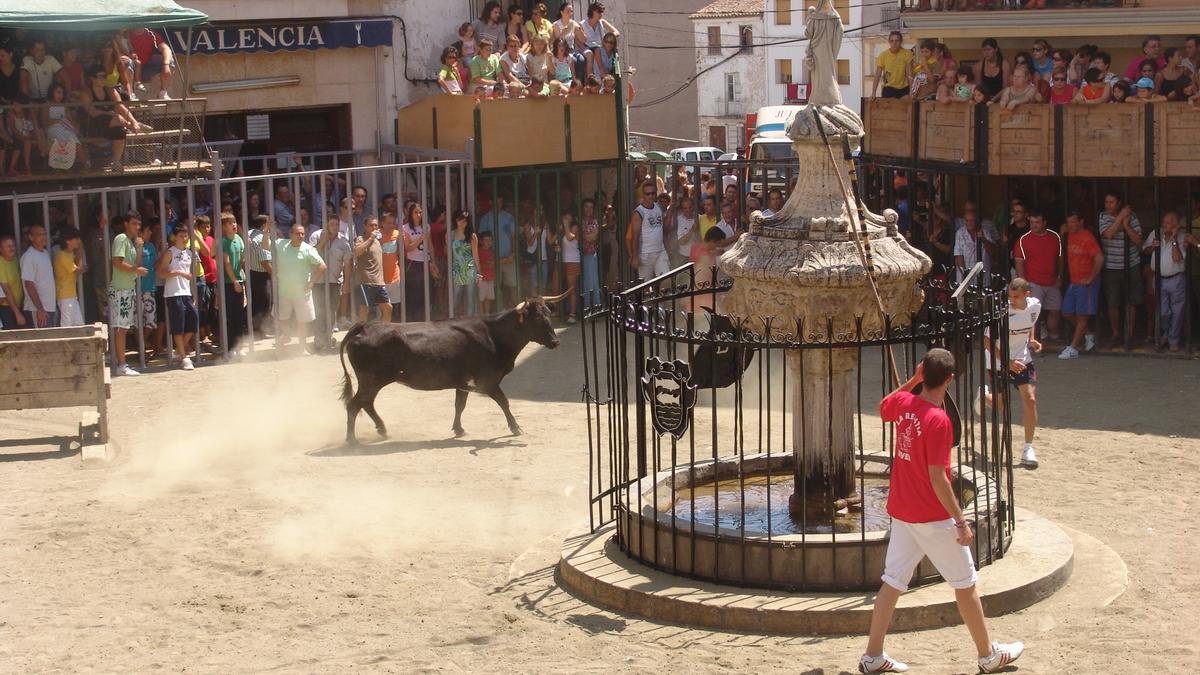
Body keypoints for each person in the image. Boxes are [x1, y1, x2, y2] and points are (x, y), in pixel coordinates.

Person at [860, 349, 1024, 674]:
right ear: (950, 379)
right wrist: (960, 521)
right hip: (931, 517)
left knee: (892, 582)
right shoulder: (939, 420)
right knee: (965, 584)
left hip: (903, 511)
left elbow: (884, 406)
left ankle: (873, 656)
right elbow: (938, 477)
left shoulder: (906, 403)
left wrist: (914, 379)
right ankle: (988, 655)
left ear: (924, 372)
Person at [981, 278, 1043, 468]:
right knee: (999, 405)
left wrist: (1031, 339)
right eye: (1010, 296)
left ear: (1027, 294)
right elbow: (986, 341)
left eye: (1016, 297)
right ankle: (984, 396)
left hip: (1023, 360)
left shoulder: (1035, 306)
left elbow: (1030, 320)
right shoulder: (1002, 313)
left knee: (1030, 399)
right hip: (999, 362)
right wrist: (1007, 362)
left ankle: (1028, 448)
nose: (1011, 300)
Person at [1142, 211, 1196, 352]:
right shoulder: (1155, 233)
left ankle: (1173, 340)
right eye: (1163, 222)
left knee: (1177, 312)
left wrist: (1173, 239)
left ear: (1175, 225)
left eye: (1168, 222)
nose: (1164, 225)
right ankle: (1166, 333)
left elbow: (1177, 258)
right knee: (1163, 311)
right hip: (1159, 278)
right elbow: (1145, 251)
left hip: (1176, 279)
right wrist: (1152, 247)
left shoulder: (1182, 237)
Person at [269, 223, 326, 353]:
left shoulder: (308, 249)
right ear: (291, 234)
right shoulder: (281, 244)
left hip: (302, 293)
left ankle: (302, 347)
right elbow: (265, 247)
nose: (300, 236)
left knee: (302, 322)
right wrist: (266, 231)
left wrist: (311, 283)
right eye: (297, 233)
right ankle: (287, 335)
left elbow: (322, 266)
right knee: (282, 318)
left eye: (302, 234)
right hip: (284, 291)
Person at [1098, 191, 1143, 349]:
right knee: (1113, 302)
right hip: (1112, 265)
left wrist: (1126, 225)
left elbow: (1138, 240)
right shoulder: (1103, 216)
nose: (1108, 205)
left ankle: (1129, 335)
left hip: (1132, 263)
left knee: (1132, 301)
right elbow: (1108, 234)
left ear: (1119, 203)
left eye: (1111, 202)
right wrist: (1121, 217)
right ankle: (1116, 334)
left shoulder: (1132, 217)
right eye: (1106, 202)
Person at [1059, 211, 1102, 359]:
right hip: (1074, 281)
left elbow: (1099, 258)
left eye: (1073, 222)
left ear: (1080, 222)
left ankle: (1074, 348)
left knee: (1082, 316)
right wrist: (1061, 234)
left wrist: (1091, 277)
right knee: (1066, 312)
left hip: (1086, 283)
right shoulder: (1069, 235)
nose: (1070, 225)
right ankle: (1088, 334)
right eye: (1068, 222)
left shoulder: (1087, 237)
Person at [1013, 211, 1062, 340]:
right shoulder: (1023, 240)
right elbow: (1019, 263)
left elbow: (1060, 258)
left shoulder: (1055, 237)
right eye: (1032, 222)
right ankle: (1033, 340)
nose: (1034, 225)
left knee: (1055, 310)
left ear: (1044, 223)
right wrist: (1024, 284)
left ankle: (1052, 335)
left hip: (1052, 281)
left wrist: (1059, 276)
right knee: (1033, 313)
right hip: (1033, 282)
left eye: (1037, 222)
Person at [109, 213, 148, 375]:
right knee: (121, 328)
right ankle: (121, 365)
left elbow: (136, 263)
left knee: (123, 327)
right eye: (134, 224)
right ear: (126, 224)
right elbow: (117, 262)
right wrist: (135, 270)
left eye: (139, 224)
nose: (137, 227)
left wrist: (139, 248)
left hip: (126, 288)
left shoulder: (131, 242)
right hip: (120, 289)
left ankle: (121, 364)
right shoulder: (121, 239)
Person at [156, 226, 198, 370]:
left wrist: (192, 293)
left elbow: (190, 276)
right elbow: (161, 273)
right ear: (175, 237)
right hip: (173, 293)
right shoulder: (170, 252)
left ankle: (178, 350)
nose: (184, 238)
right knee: (178, 327)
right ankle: (184, 357)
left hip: (186, 292)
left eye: (186, 236)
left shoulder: (189, 253)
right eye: (181, 236)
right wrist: (178, 272)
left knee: (193, 320)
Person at [309, 215, 352, 350]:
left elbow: (347, 264)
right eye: (332, 224)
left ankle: (327, 337)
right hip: (319, 281)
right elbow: (309, 254)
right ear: (326, 225)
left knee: (331, 310)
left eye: (336, 224)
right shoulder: (316, 235)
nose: (335, 227)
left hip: (334, 281)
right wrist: (323, 242)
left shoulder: (343, 241)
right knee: (320, 310)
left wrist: (346, 283)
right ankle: (319, 338)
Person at [478, 195, 517, 306]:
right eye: (496, 202)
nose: (498, 205)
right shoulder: (485, 218)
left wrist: (513, 254)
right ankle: (498, 309)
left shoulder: (509, 217)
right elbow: (482, 239)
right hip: (491, 259)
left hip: (508, 257)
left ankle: (514, 308)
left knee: (512, 285)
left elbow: (513, 237)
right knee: (494, 286)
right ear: (491, 202)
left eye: (500, 202)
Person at [219, 213, 248, 356]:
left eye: (235, 222)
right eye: (230, 223)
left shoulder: (239, 239)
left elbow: (242, 261)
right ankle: (230, 348)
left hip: (239, 281)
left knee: (239, 316)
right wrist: (235, 281)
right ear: (224, 227)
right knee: (229, 316)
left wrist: (242, 282)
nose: (234, 225)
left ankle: (239, 346)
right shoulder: (223, 241)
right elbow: (227, 263)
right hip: (228, 283)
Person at [353, 216, 392, 323]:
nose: (374, 227)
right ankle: (360, 335)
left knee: (388, 308)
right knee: (364, 310)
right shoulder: (361, 238)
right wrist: (370, 238)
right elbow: (357, 252)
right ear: (365, 226)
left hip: (379, 282)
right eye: (371, 225)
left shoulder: (378, 240)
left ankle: (383, 333)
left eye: (376, 225)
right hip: (366, 281)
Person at [628, 179, 668, 281]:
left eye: (653, 193)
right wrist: (635, 256)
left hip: (660, 251)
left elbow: (662, 228)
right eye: (647, 194)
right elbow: (635, 236)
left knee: (666, 280)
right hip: (645, 254)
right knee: (646, 285)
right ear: (643, 195)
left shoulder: (658, 207)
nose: (650, 196)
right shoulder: (639, 212)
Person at [20, 225, 56, 328]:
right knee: (42, 342)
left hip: (49, 308)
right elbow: (29, 284)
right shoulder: (29, 256)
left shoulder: (45, 253)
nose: (43, 237)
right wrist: (40, 309)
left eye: (44, 234)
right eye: (39, 235)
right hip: (37, 310)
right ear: (31, 237)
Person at [244, 214, 274, 336]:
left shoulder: (248, 234)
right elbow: (264, 260)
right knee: (265, 302)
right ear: (264, 225)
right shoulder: (263, 238)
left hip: (250, 273)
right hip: (263, 274)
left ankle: (253, 327)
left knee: (255, 301)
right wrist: (275, 275)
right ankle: (262, 329)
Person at [449, 210, 482, 317]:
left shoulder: (472, 236)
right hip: (457, 269)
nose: (461, 223)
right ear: (456, 220)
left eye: (464, 221)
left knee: (470, 298)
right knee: (455, 298)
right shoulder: (451, 234)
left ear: (468, 222)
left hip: (470, 270)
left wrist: (479, 272)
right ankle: (452, 320)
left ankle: (469, 322)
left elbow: (475, 255)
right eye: (460, 220)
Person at [53, 227, 85, 327]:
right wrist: (80, 251)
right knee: (67, 328)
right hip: (65, 297)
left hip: (71, 295)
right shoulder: (62, 256)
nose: (79, 241)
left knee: (79, 325)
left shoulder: (70, 254)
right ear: (68, 240)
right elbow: (79, 269)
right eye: (76, 238)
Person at [873, 31, 913, 99]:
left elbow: (909, 74)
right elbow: (877, 75)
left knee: (906, 104)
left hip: (903, 87)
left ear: (900, 42)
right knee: (893, 105)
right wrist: (873, 93)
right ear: (889, 42)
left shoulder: (907, 54)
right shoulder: (883, 55)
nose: (894, 43)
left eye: (897, 41)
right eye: (892, 41)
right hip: (889, 87)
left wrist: (912, 91)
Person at [579, 197, 601, 310]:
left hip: (589, 254)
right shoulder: (579, 220)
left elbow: (592, 238)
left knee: (591, 282)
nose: (589, 209)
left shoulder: (594, 221)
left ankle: (593, 307)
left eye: (591, 207)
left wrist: (580, 234)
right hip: (577, 255)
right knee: (582, 282)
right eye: (586, 207)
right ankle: (586, 307)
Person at [0, 235, 26, 329]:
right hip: (7, 308)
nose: (12, 248)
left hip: (18, 305)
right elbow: (6, 291)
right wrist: (17, 313)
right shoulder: (1, 264)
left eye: (13, 245)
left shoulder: (15, 260)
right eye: (8, 246)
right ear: (1, 249)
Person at [974, 38, 1010, 103]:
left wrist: (993, 99)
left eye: (989, 49)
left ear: (996, 49)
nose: (986, 53)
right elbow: (978, 88)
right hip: (983, 101)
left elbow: (1006, 87)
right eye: (984, 50)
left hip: (1001, 100)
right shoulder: (978, 66)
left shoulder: (1004, 64)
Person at [477, 231, 496, 314]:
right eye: (486, 240)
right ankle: (481, 315)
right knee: (481, 299)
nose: (488, 242)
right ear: (481, 241)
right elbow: (477, 264)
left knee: (488, 298)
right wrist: (485, 265)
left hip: (490, 278)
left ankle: (487, 315)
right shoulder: (478, 251)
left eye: (490, 240)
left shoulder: (492, 252)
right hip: (482, 279)